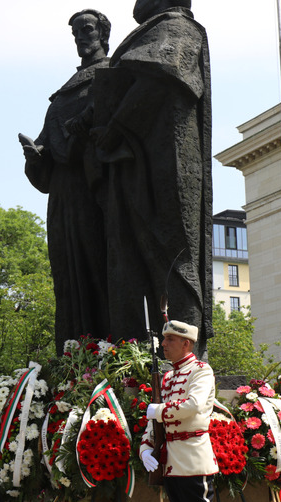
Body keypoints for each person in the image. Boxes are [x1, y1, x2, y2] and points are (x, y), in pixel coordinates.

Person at [91, 0, 213, 355]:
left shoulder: (179, 26)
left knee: (174, 255)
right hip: (132, 158)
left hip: (166, 158)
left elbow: (159, 81)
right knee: (127, 254)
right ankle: (130, 357)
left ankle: (186, 357)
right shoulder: (150, 31)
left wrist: (114, 127)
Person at [21, 9, 111, 354]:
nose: (81, 37)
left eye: (86, 29)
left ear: (102, 33)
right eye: (75, 32)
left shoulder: (111, 74)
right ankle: (71, 354)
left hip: (93, 189)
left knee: (96, 264)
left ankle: (107, 348)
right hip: (62, 194)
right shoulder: (62, 95)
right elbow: (48, 141)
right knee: (66, 272)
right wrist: (36, 155)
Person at [139, 320, 218, 502]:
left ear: (186, 344)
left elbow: (193, 405)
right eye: (164, 339)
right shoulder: (167, 377)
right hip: (171, 464)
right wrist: (145, 448)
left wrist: (159, 410)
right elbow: (156, 423)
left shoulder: (201, 371)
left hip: (193, 462)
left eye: (170, 339)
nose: (163, 344)